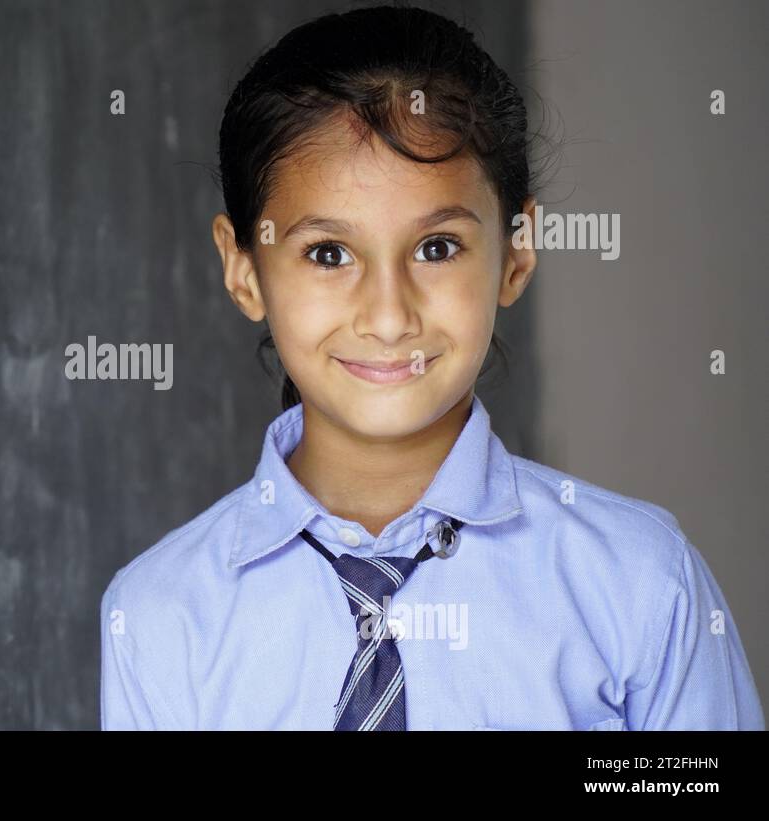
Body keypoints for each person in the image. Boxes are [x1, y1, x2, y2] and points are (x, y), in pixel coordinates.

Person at [99, 5, 763, 730]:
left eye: (437, 247)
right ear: (244, 269)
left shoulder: (641, 585)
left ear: (516, 253)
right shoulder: (159, 615)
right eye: (328, 253)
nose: (388, 316)